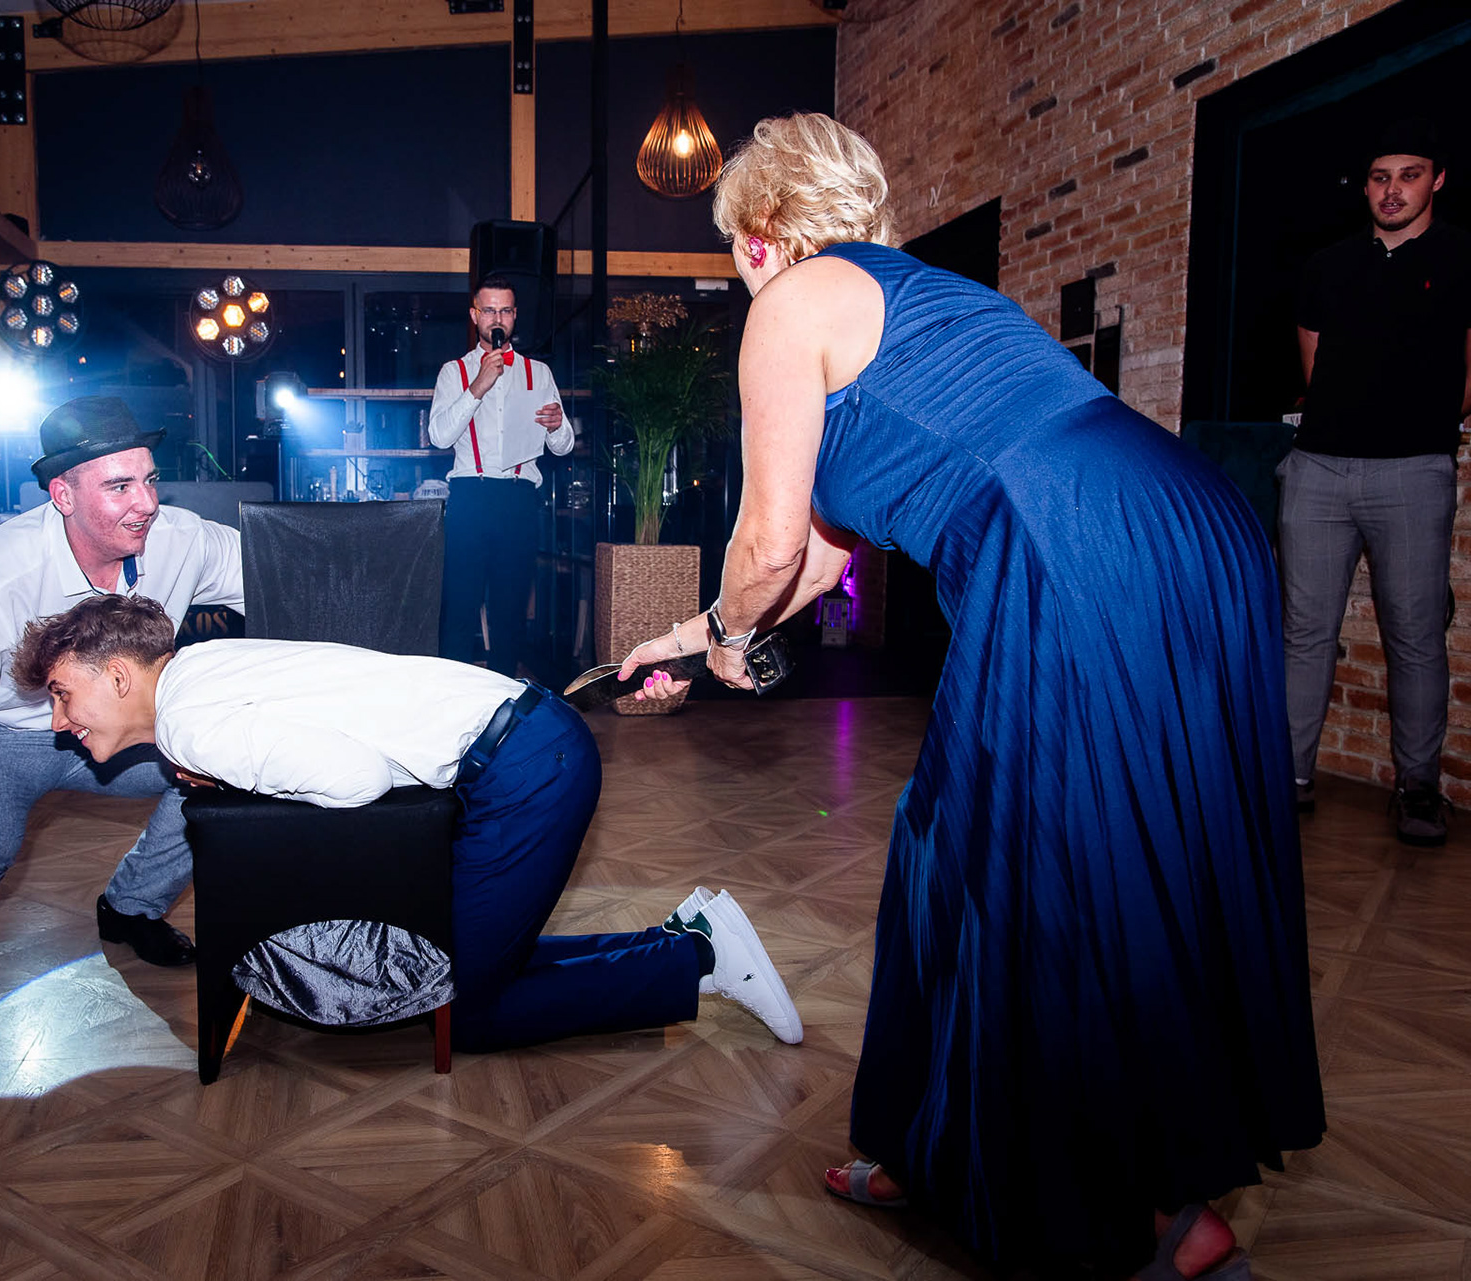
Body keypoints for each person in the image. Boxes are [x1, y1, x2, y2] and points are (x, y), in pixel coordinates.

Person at [620, 113, 1323, 1279]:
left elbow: (769, 541)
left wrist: (734, 635)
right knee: (1063, 845)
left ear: (763, 230)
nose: (737, 265)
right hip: (1182, 524)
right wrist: (695, 641)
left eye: (733, 242)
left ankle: (1148, 1212)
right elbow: (824, 561)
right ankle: (944, 1148)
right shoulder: (922, 299)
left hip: (1068, 548)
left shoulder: (791, 303)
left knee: (1042, 868)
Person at [7, 593, 802, 1054]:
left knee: (467, 1008)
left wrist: (240, 786)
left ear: (119, 676)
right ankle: (684, 937)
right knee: (478, 957)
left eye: (63, 694)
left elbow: (353, 777)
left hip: (526, 771)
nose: (58, 720)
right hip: (529, 742)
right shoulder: (197, 668)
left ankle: (698, 958)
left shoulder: (189, 726)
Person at [0, 396, 244, 995]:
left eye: (149, 480)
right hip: (6, 737)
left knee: (239, 765)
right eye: (119, 487)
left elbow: (284, 573)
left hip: (127, 734)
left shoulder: (181, 538)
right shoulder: (4, 571)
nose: (147, 503)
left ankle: (132, 906)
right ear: (63, 496)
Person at [1285, 117, 1469, 844]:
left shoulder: (1462, 257)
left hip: (1415, 471)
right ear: (1365, 187)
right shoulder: (1326, 266)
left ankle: (1418, 789)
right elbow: (1314, 363)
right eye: (1380, 177)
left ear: (1437, 180)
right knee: (1304, 632)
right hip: (1318, 469)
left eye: (1409, 175)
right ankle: (1290, 776)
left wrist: (1423, 422)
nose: (1393, 190)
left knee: (1416, 635)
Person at [428, 274, 575, 676]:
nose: (498, 318)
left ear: (514, 316)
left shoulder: (538, 373)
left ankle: (502, 698)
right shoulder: (454, 372)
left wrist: (557, 426)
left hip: (518, 498)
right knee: (460, 606)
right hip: (470, 497)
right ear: (475, 315)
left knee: (510, 610)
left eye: (505, 310)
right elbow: (439, 436)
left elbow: (563, 446)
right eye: (489, 310)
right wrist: (478, 386)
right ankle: (455, 698)